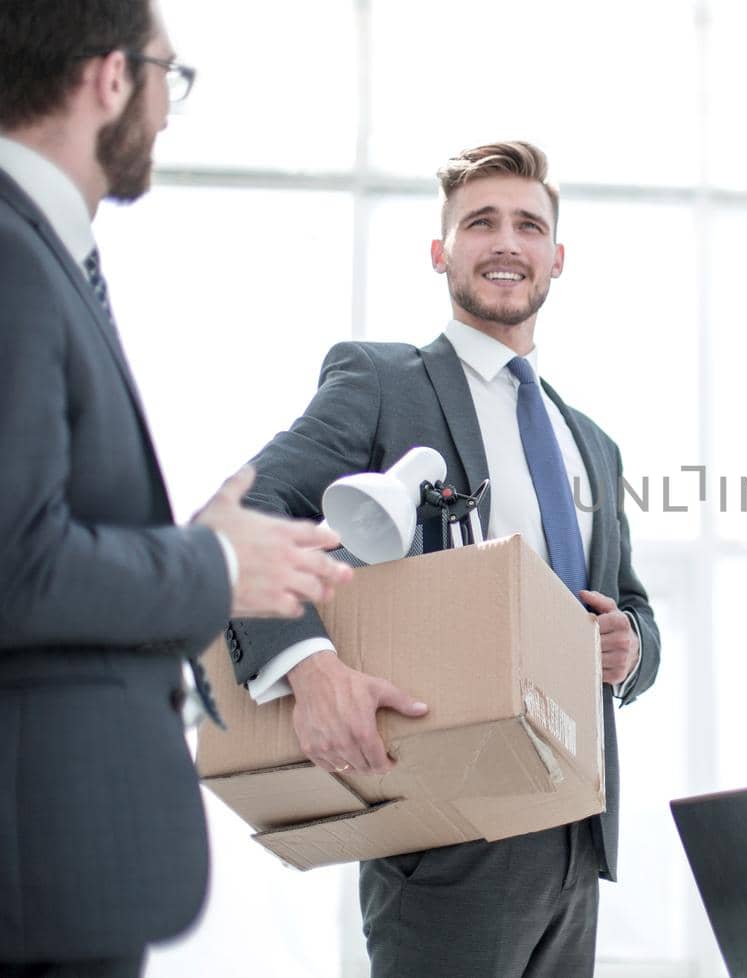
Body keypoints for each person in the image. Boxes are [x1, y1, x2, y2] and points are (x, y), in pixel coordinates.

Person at [222, 139, 660, 978]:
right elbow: (246, 516)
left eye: (528, 225)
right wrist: (310, 669)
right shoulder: (385, 383)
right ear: (441, 251)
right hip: (446, 823)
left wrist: (631, 649)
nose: (506, 242)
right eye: (480, 223)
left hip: (576, 832)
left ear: (556, 258)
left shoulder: (591, 445)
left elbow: (634, 608)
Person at [0, 2, 352, 974]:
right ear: (110, 77)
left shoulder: (41, 250)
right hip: (39, 869)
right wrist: (212, 565)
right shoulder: (12, 257)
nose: (164, 107)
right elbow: (17, 563)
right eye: (168, 76)